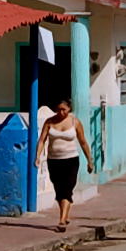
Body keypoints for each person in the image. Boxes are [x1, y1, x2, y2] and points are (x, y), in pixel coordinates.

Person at [35, 99, 93, 232]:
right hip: (54, 160)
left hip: (71, 160)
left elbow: (83, 142)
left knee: (67, 187)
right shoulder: (49, 122)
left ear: (69, 109)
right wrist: (38, 156)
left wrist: (89, 160)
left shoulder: (75, 122)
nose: (61, 112)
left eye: (64, 110)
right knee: (59, 188)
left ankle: (62, 219)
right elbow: (42, 140)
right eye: (59, 109)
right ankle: (65, 213)